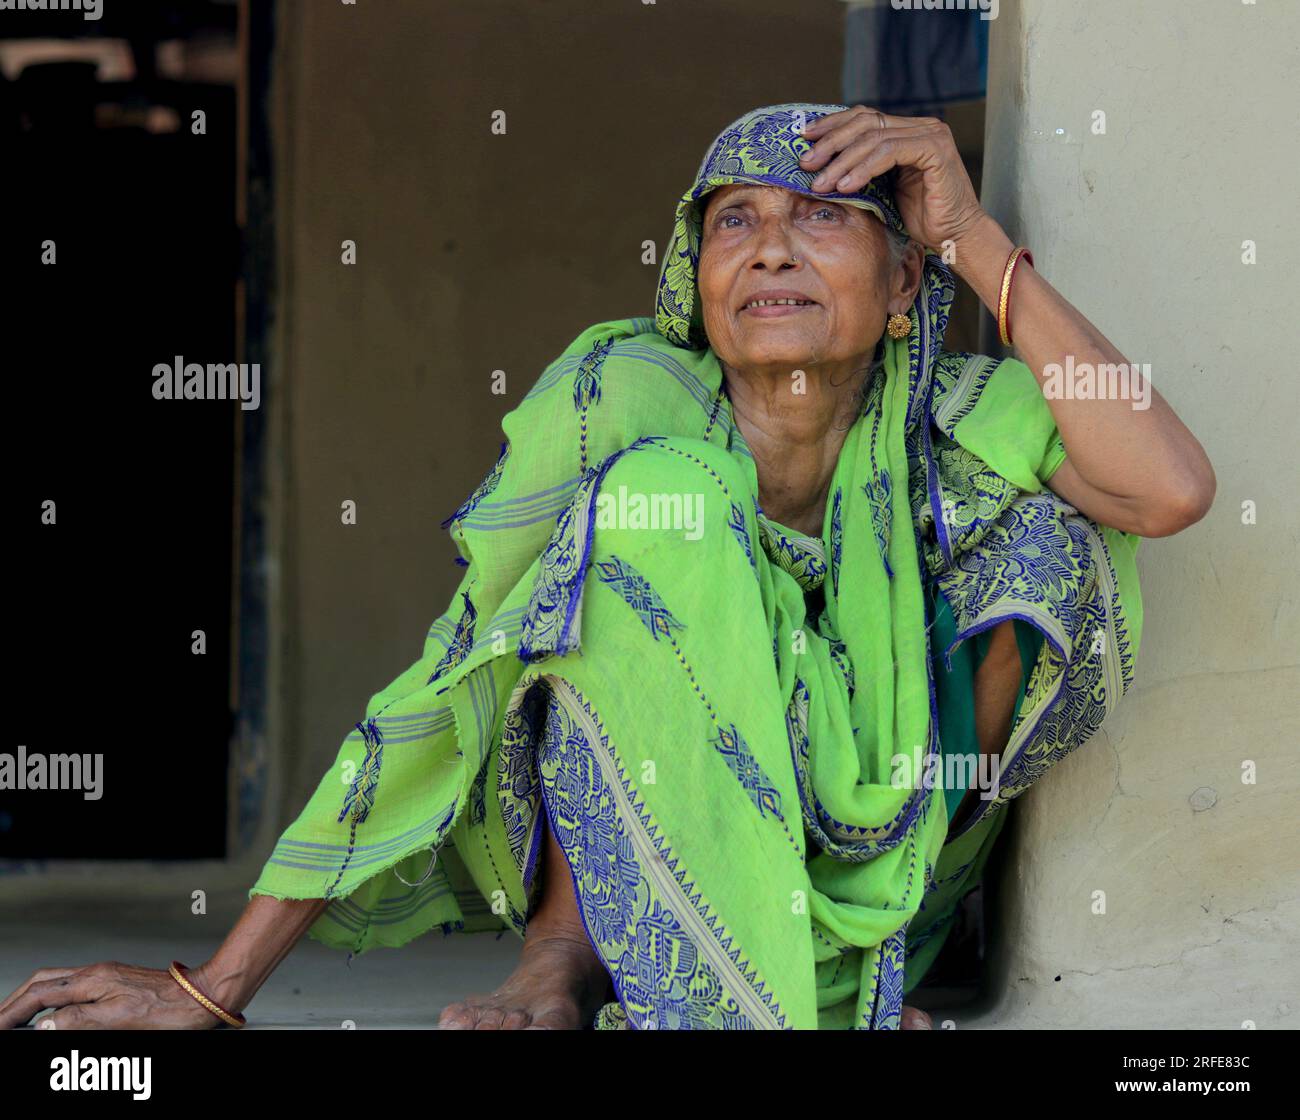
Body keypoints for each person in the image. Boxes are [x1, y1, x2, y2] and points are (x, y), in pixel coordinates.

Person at [0, 103, 1214, 1031]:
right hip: (621, 828)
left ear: (903, 283)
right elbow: (454, 674)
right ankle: (573, 961)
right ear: (693, 276)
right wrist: (216, 987)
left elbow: (1168, 487)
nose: (771, 250)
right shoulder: (623, 397)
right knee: (649, 520)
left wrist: (970, 238)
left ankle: (842, 972)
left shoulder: (954, 411)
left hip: (887, 850)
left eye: (823, 216)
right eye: (734, 220)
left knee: (1059, 549)